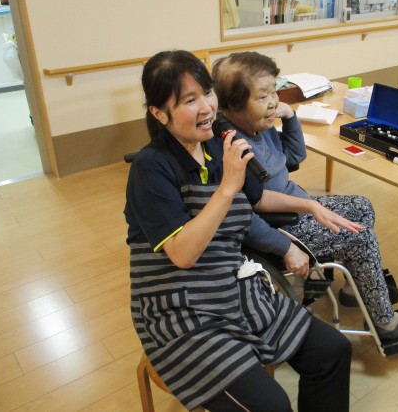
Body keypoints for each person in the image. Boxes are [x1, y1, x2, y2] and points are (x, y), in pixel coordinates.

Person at [125, 50, 356, 412]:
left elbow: (258, 198)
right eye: (189, 100)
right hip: (180, 310)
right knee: (272, 406)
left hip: (231, 289)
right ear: (159, 113)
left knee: (333, 351)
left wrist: (311, 205)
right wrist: (227, 187)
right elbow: (183, 254)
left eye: (207, 93)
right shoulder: (150, 167)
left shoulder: (216, 147)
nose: (207, 108)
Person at [211, 51, 398, 343]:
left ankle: (355, 286)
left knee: (362, 207)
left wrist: (290, 117)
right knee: (361, 237)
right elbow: (243, 217)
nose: (273, 102)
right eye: (263, 96)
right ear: (232, 105)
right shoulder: (232, 149)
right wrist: (285, 247)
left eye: (274, 92)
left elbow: (294, 157)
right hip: (281, 226)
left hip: (296, 206)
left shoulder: (258, 126)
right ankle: (385, 322)